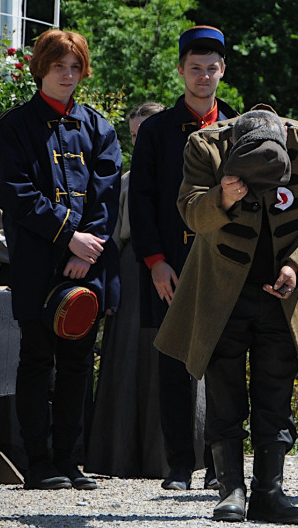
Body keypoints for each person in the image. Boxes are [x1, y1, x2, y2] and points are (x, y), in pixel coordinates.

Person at [155, 107, 298, 523]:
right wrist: (222, 196)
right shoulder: (205, 145)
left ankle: (269, 491)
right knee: (224, 394)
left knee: (275, 397)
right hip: (222, 293)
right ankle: (231, 489)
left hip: (282, 295)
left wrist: (296, 265)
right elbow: (190, 211)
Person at [0, 29, 121, 490]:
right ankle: (39, 463)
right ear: (41, 69)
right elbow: (16, 194)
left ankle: (69, 460)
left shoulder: (99, 127)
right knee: (37, 362)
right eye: (58, 66)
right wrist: (70, 237)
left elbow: (107, 199)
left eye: (74, 67)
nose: (67, 75)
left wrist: (88, 250)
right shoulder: (14, 126)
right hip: (35, 263)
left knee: (78, 364)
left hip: (89, 264)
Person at [129, 25, 238, 490]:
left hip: (224, 262)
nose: (204, 77)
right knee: (174, 365)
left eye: (212, 68)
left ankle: (220, 465)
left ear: (223, 71)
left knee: (225, 364)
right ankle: (179, 464)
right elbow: (142, 201)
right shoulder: (155, 131)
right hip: (171, 261)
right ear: (180, 70)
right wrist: (155, 260)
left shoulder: (240, 123)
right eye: (195, 68)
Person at [87, 101, 170, 478]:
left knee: (169, 364)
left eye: (146, 133)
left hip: (179, 268)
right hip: (131, 273)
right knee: (126, 364)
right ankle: (119, 457)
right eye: (135, 135)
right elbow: (111, 237)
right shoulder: (124, 180)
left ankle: (171, 457)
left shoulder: (189, 176)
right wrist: (111, 286)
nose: (140, 142)